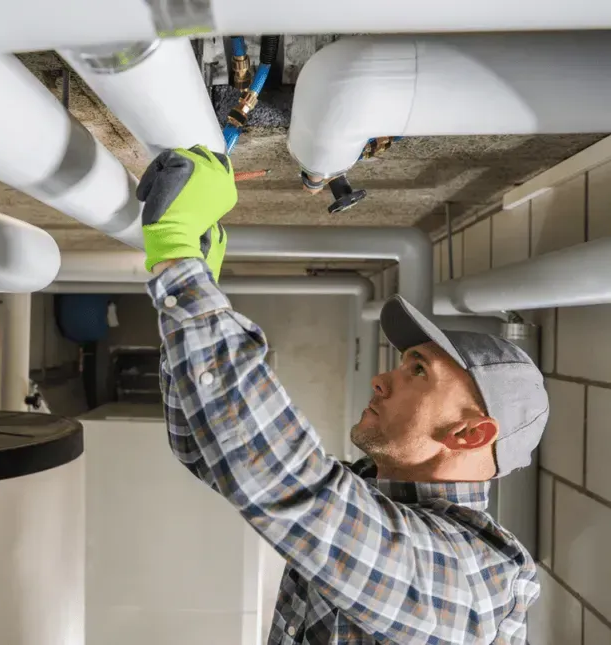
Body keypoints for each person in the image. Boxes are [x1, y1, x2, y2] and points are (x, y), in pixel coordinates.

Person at [136, 145, 548, 644]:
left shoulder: (476, 577)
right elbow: (209, 450)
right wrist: (195, 282)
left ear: (470, 432)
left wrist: (180, 260)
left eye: (418, 371)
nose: (382, 380)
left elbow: (291, 487)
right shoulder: (375, 499)